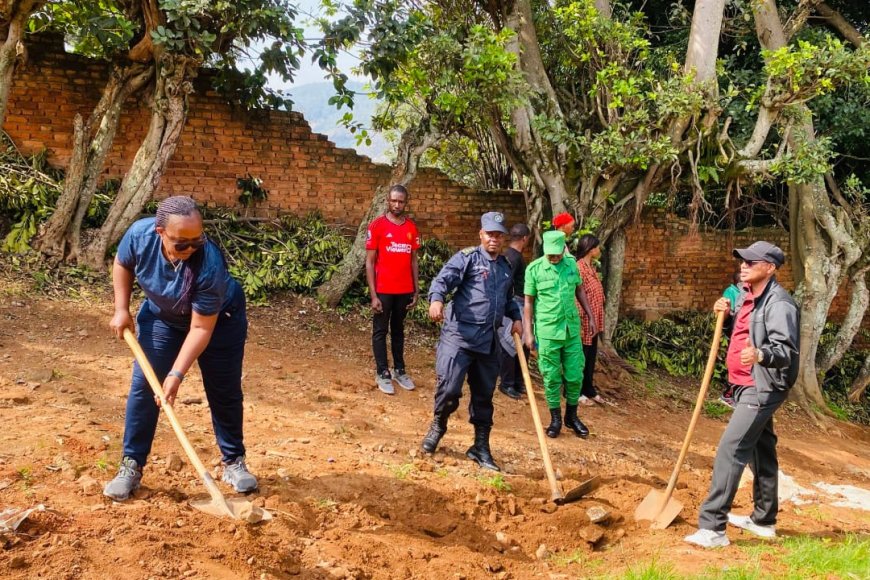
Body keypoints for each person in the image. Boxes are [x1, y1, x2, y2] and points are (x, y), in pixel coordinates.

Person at [104, 196, 257, 501]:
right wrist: (121, 308)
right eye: (181, 243)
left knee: (223, 389)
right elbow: (123, 264)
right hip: (163, 318)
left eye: (196, 241)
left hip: (219, 322)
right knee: (145, 388)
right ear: (160, 232)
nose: (190, 249)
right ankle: (131, 465)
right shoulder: (139, 235)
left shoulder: (209, 263)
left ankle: (233, 461)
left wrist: (176, 374)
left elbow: (201, 328)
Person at [684, 241, 799, 548]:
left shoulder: (779, 304)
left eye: (751, 261)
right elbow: (742, 332)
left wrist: (760, 354)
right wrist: (725, 317)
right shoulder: (749, 297)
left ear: (770, 268)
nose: (743, 265)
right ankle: (764, 520)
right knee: (761, 449)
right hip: (744, 382)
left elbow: (785, 349)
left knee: (731, 449)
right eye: (742, 261)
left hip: (763, 385)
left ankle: (713, 528)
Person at [421, 212, 523, 471]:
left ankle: (480, 447)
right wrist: (436, 300)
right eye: (490, 234)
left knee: (484, 396)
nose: (494, 239)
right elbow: (442, 281)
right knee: (450, 388)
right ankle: (438, 424)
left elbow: (508, 298)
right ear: (481, 234)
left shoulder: (505, 267)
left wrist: (516, 318)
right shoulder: (466, 259)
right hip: (459, 337)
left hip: (489, 341)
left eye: (498, 235)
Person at [523, 231, 595, 439]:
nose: (554, 258)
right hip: (547, 332)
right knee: (552, 378)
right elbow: (528, 302)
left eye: (557, 254)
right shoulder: (534, 269)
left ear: (564, 249)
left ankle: (571, 417)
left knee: (575, 376)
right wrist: (528, 333)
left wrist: (590, 315)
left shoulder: (572, 265)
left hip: (571, 331)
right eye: (550, 255)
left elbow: (579, 290)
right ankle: (555, 419)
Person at [365, 184, 420, 395]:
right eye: (394, 201)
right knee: (380, 331)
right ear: (388, 201)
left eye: (401, 201)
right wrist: (373, 295)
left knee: (398, 331)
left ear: (406, 202)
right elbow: (369, 262)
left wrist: (416, 290)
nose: (397, 205)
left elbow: (414, 261)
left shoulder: (411, 228)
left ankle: (399, 370)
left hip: (404, 290)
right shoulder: (377, 226)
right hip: (383, 290)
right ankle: (382, 372)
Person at [497, 223, 531, 400]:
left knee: (523, 344)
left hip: (517, 303)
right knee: (510, 345)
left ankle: (518, 382)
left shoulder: (509, 255)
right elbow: (506, 284)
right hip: (513, 304)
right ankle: (507, 383)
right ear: (525, 238)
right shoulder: (514, 258)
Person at [576, 234, 607, 406]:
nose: (599, 249)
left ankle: (588, 388)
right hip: (585, 320)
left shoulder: (591, 267)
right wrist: (583, 318)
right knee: (582, 356)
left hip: (594, 319)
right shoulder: (579, 267)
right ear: (590, 249)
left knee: (591, 356)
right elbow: (577, 295)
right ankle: (576, 390)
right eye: (597, 247)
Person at [719, 271, 743, 408]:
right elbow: (728, 312)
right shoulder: (731, 291)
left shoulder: (749, 292)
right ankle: (728, 395)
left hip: (741, 333)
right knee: (735, 363)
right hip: (734, 330)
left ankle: (733, 395)